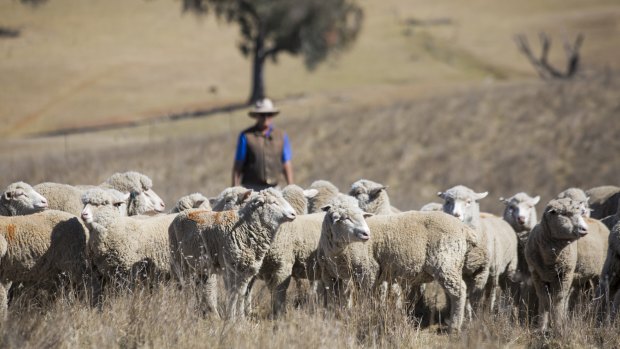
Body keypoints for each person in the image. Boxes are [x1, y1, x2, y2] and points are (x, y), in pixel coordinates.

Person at [232, 98, 293, 190]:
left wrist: (291, 186)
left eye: (269, 114)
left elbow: (286, 162)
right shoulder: (246, 136)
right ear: (256, 116)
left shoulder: (281, 135)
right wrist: (234, 188)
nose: (265, 118)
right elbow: (238, 164)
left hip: (274, 188)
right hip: (251, 189)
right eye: (262, 114)